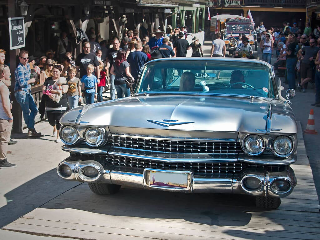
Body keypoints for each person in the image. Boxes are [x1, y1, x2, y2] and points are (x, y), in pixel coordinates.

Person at [14, 50, 41, 137]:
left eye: (27, 58)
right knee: (26, 112)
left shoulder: (27, 66)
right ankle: (31, 129)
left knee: (34, 109)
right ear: (20, 58)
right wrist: (30, 81)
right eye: (24, 58)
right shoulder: (20, 68)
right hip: (21, 92)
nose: (26, 60)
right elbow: (21, 83)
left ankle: (31, 128)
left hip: (27, 91)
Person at [43, 65, 68, 142]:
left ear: (60, 72)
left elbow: (64, 90)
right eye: (53, 71)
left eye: (56, 71)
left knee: (58, 120)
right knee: (51, 120)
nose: (55, 73)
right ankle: (54, 127)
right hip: (50, 104)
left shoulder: (63, 80)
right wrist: (47, 93)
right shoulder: (48, 80)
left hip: (61, 104)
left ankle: (58, 136)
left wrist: (54, 92)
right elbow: (44, 89)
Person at [0, 65, 14, 167]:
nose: (10, 74)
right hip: (3, 117)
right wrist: (10, 116)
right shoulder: (3, 86)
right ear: (3, 74)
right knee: (4, 139)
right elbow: (5, 104)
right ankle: (2, 159)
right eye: (8, 72)